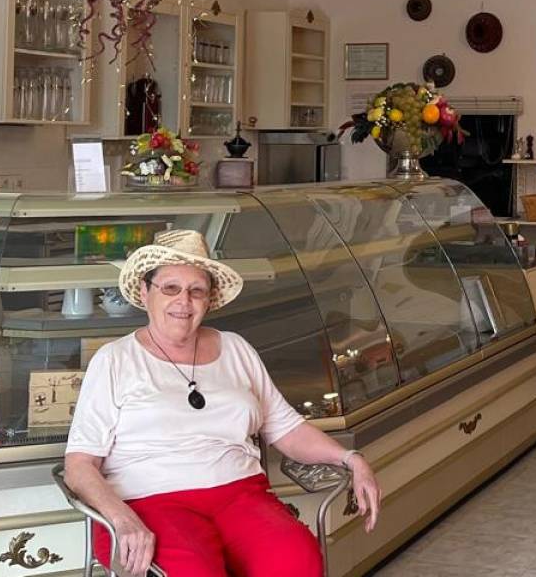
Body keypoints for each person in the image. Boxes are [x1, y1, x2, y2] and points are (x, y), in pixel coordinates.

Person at [64, 230, 381, 577]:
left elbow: (286, 428)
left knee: (296, 561)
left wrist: (351, 459)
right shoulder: (115, 360)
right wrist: (123, 520)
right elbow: (79, 466)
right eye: (170, 288)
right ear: (144, 291)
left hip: (240, 496)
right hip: (148, 502)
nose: (183, 302)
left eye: (196, 290)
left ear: (209, 299)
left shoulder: (236, 349)